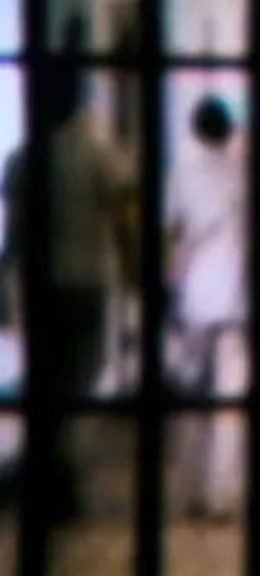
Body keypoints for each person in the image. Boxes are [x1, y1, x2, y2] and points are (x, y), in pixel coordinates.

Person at [1, 37, 136, 519]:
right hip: (88, 282)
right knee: (82, 379)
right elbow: (123, 216)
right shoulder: (98, 154)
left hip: (40, 286)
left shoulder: (22, 158)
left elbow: (14, 235)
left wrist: (8, 288)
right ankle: (62, 473)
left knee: (44, 379)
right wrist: (135, 271)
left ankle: (43, 470)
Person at [165, 94, 248, 520]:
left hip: (194, 296)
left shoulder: (181, 170)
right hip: (234, 296)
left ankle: (191, 487)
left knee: (190, 394)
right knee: (228, 399)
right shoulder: (240, 173)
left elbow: (171, 229)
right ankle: (220, 493)